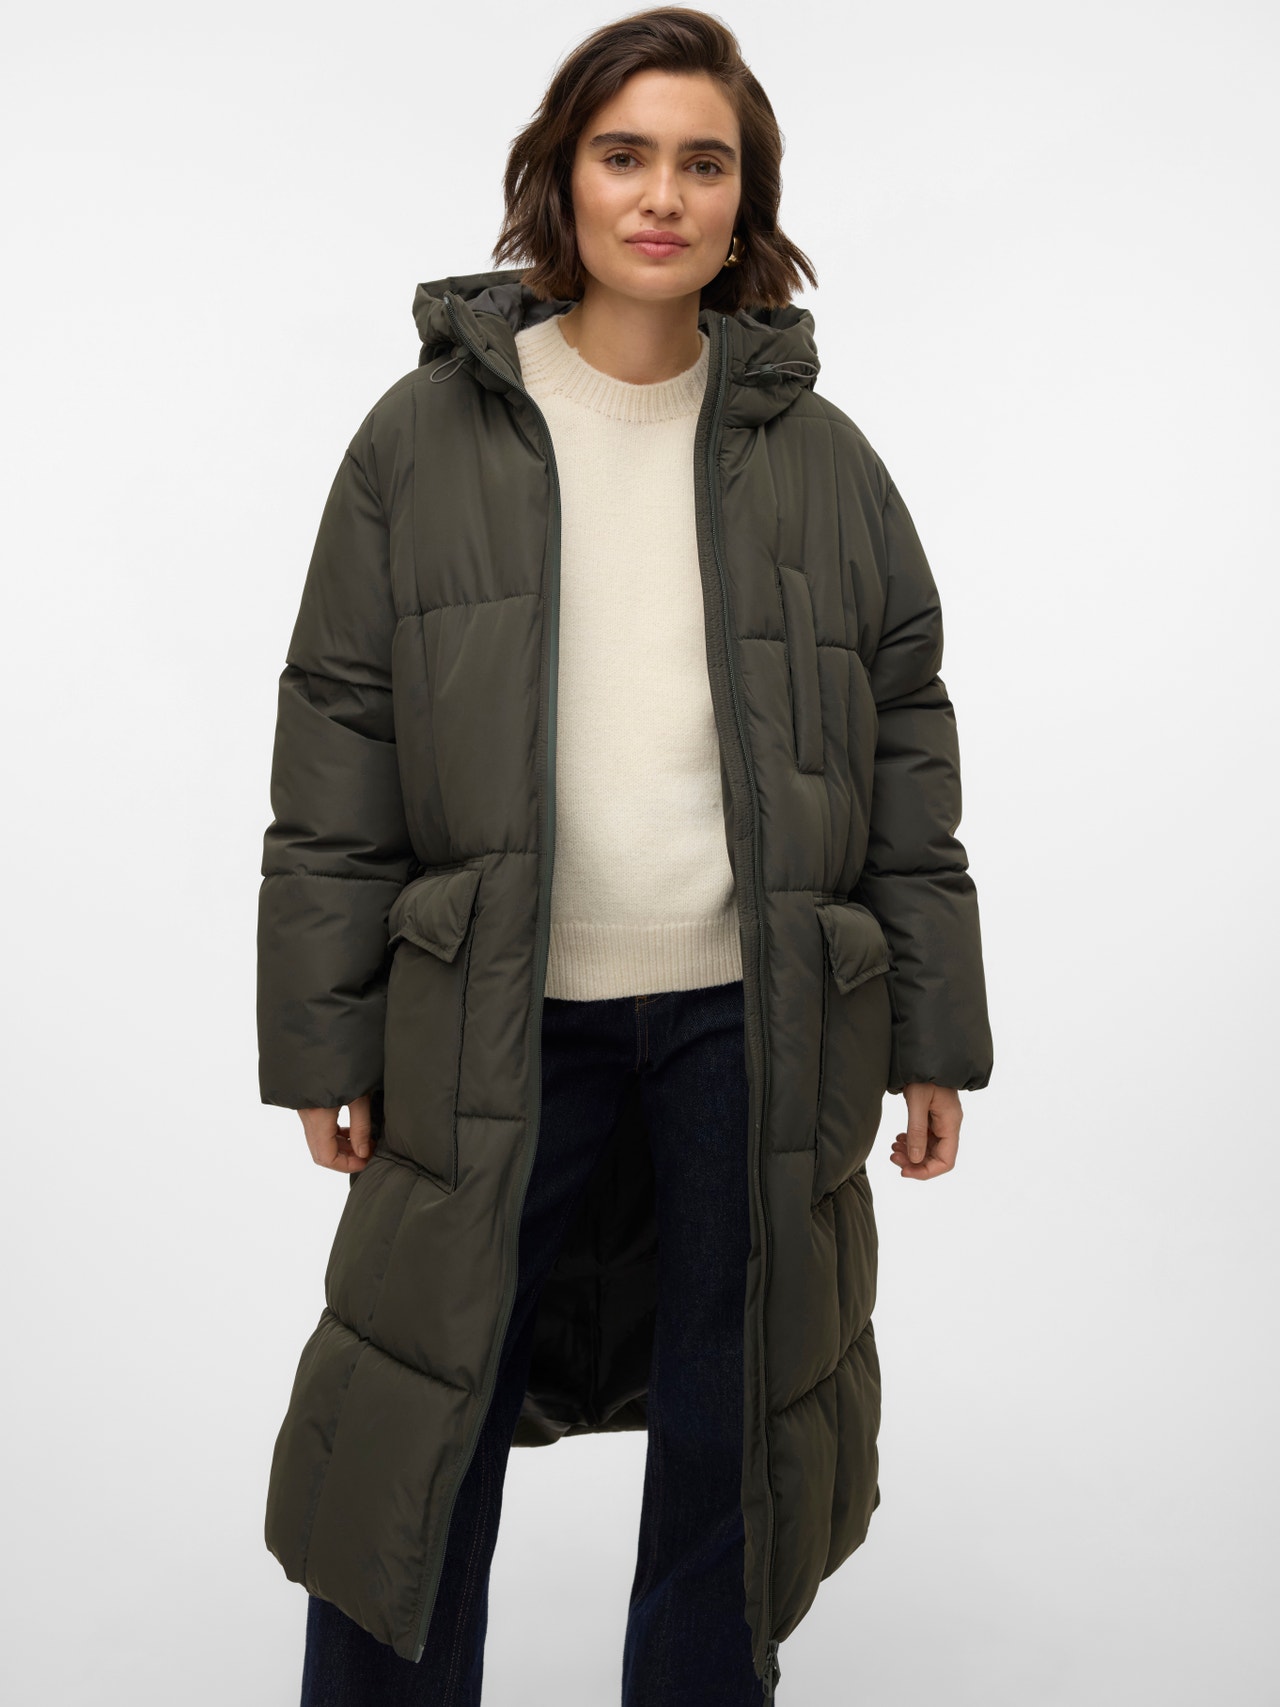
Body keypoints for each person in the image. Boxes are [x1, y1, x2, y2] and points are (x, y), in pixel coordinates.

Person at [256, 8, 994, 1705]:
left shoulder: (821, 460)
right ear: (563, 179)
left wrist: (934, 1032)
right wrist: (323, 1035)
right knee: (417, 1430)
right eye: (625, 154)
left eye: (702, 162)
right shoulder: (423, 438)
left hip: (759, 1021)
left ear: (746, 203)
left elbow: (905, 743)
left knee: (739, 1446)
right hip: (488, 1017)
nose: (662, 195)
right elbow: (339, 740)